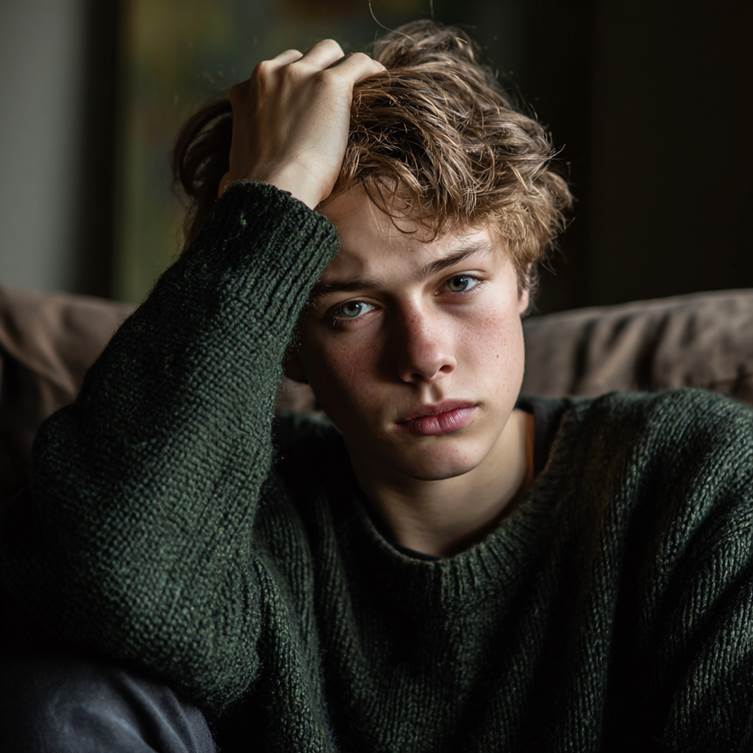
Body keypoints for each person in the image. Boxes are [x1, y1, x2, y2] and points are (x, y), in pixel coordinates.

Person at [1, 18, 752, 753]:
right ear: (287, 342)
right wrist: (273, 193)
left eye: (460, 282)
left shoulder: (692, 476)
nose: (423, 356)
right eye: (351, 309)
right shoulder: (234, 515)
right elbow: (95, 599)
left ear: (524, 277)